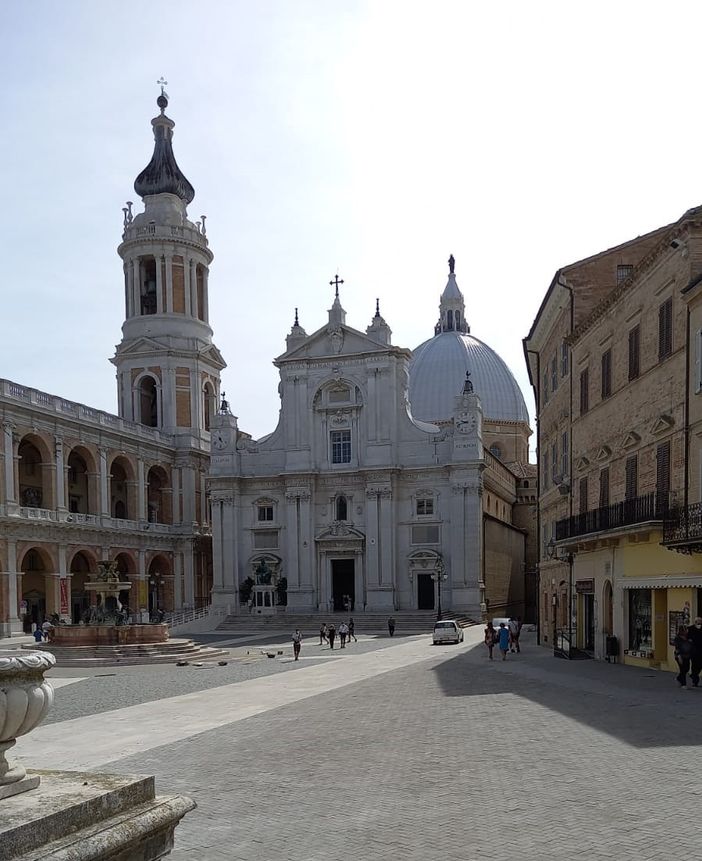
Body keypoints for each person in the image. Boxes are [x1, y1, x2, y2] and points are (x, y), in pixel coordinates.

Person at [687, 616, 702, 687]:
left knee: (700, 665)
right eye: (698, 621)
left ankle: (693, 675)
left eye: (700, 621)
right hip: (694, 650)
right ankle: (695, 681)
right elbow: (687, 638)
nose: (700, 622)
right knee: (694, 666)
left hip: (701, 650)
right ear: (695, 622)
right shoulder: (690, 628)